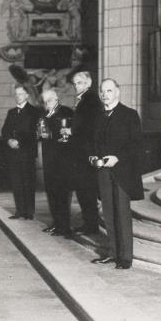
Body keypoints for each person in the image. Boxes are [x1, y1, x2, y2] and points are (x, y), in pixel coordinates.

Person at [89, 79, 144, 270]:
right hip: (103, 172)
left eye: (109, 91)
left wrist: (117, 157)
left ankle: (126, 257)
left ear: (117, 93)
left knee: (122, 215)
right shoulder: (98, 116)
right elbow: (93, 143)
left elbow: (136, 145)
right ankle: (113, 253)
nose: (105, 95)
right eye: (102, 91)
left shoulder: (129, 115)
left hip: (122, 172)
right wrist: (93, 157)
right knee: (109, 215)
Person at [69, 71, 102, 235]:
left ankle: (91, 226)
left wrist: (72, 131)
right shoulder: (85, 99)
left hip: (86, 154)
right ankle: (89, 223)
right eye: (75, 83)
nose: (76, 86)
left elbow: (91, 128)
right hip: (82, 153)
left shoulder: (91, 100)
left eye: (80, 83)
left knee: (87, 190)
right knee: (83, 190)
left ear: (88, 83)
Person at [37, 89, 74, 236]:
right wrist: (40, 134)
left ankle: (64, 226)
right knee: (51, 192)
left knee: (63, 194)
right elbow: (41, 134)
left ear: (57, 99)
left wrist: (54, 135)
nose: (47, 104)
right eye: (45, 101)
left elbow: (71, 134)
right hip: (48, 159)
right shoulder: (44, 115)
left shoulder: (67, 112)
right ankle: (56, 222)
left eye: (50, 100)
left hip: (63, 160)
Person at [1, 85, 40, 219]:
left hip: (27, 153)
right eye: (16, 94)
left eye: (21, 94)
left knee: (28, 183)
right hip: (13, 154)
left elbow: (34, 133)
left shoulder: (34, 112)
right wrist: (8, 141)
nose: (18, 96)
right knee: (16, 183)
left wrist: (20, 142)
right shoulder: (11, 112)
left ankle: (29, 212)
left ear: (27, 95)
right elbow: (4, 130)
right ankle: (19, 211)